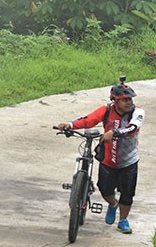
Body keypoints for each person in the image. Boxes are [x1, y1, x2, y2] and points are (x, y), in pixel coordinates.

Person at [55, 78, 145, 234]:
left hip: (129, 161)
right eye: (125, 100)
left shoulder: (138, 113)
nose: (129, 102)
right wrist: (69, 125)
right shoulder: (106, 110)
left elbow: (133, 128)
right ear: (115, 101)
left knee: (128, 194)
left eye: (130, 99)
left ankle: (123, 221)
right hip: (108, 160)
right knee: (105, 190)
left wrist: (114, 132)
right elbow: (89, 120)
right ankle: (112, 205)